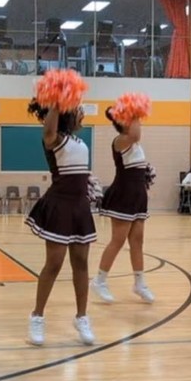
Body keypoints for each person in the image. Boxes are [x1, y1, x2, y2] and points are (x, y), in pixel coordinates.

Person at [24, 100, 97, 347]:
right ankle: (37, 316)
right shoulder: (55, 140)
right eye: (78, 110)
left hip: (79, 206)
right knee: (54, 263)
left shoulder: (81, 142)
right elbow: (48, 130)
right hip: (59, 205)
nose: (82, 113)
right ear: (66, 115)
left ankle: (82, 317)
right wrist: (57, 99)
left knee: (81, 262)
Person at [91, 108, 154, 304]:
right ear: (125, 123)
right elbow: (136, 133)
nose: (139, 122)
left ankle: (140, 283)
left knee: (137, 241)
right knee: (117, 241)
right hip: (124, 195)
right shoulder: (121, 140)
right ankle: (99, 281)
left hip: (138, 196)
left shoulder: (134, 143)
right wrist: (135, 110)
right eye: (135, 120)